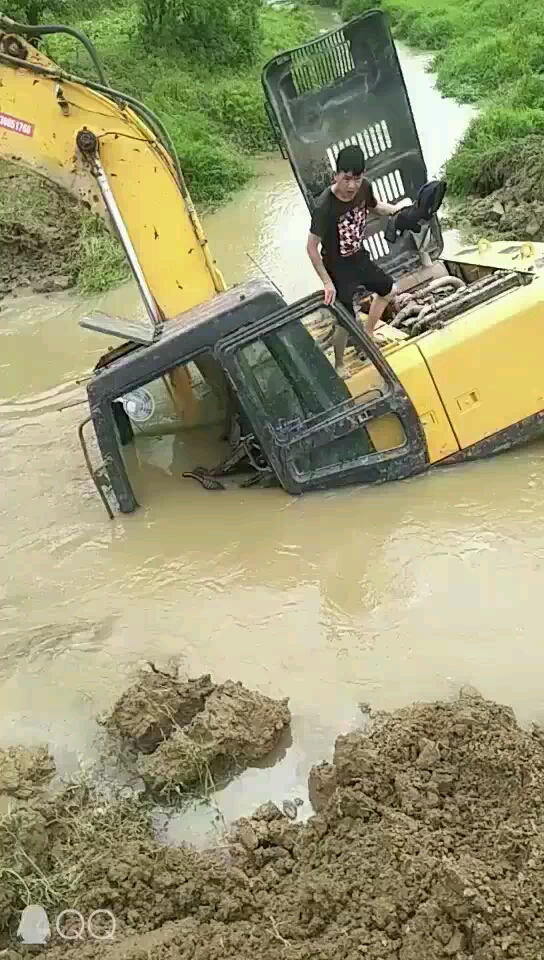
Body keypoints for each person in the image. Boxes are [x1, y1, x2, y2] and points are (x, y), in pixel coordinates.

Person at [306, 144, 411, 376]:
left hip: (358, 257)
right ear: (336, 176)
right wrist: (326, 282)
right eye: (346, 179)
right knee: (345, 320)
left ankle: (369, 334)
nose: (352, 185)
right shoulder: (325, 205)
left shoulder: (364, 187)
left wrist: (397, 209)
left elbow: (375, 207)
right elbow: (311, 247)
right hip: (337, 267)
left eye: (357, 178)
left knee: (389, 290)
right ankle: (340, 364)